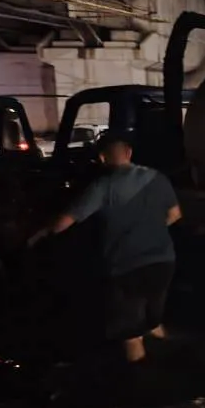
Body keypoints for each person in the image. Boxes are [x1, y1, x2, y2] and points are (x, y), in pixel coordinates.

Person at [28, 130, 181, 364]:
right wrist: (149, 230)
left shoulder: (103, 186)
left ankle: (143, 384)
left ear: (101, 158)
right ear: (129, 153)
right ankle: (175, 361)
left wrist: (40, 233)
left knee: (130, 333)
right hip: (163, 263)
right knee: (153, 322)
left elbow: (64, 222)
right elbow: (175, 214)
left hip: (127, 267)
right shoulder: (158, 178)